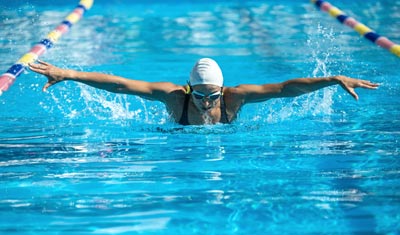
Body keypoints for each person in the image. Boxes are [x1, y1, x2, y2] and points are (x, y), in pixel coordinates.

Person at [29, 58, 378, 125]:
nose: (209, 102)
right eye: (201, 95)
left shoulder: (235, 97)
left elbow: (284, 89)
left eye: (213, 94)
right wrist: (70, 73)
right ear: (188, 89)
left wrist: (331, 79)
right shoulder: (173, 96)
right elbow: (120, 85)